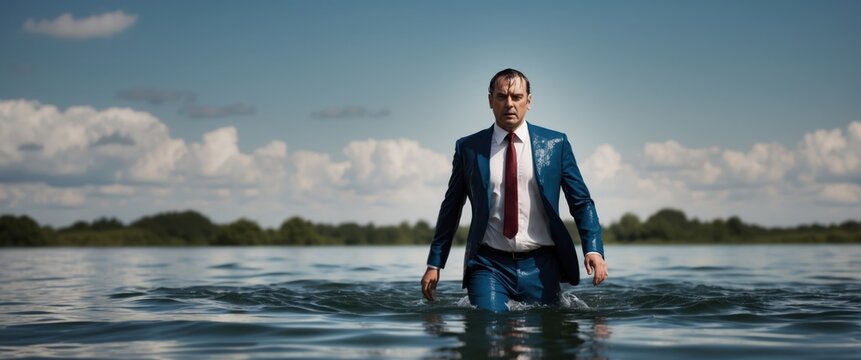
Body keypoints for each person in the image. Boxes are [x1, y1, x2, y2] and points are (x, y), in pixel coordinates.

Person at [420, 68, 608, 312]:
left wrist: (593, 249)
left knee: (549, 328)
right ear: (490, 100)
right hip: (488, 265)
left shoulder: (555, 144)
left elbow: (581, 202)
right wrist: (435, 263)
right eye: (502, 96)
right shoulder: (468, 148)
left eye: (517, 97)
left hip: (542, 265)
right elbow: (451, 207)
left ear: (528, 101)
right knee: (489, 321)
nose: (509, 104)